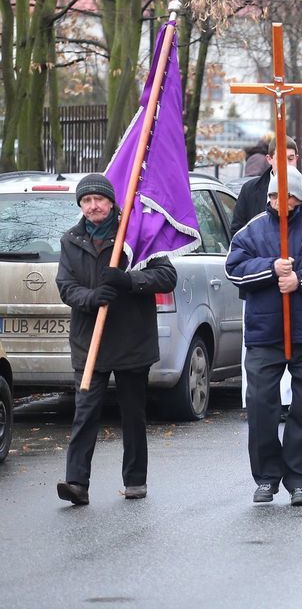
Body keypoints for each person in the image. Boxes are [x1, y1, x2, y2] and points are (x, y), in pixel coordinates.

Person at [226, 167, 302, 507]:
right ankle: (266, 477)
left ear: (297, 196)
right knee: (261, 406)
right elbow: (233, 269)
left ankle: (300, 481)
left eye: (285, 195)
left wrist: (301, 280)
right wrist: (270, 268)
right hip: (265, 333)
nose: (278, 201)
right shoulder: (252, 231)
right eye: (272, 196)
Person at [54, 174, 178, 506]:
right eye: (86, 200)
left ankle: (135, 480)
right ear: (81, 205)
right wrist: (91, 298)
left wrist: (128, 279)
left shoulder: (137, 235)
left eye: (99, 199)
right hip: (88, 343)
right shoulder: (70, 240)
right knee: (85, 413)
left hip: (131, 339)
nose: (93, 206)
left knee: (132, 415)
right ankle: (76, 482)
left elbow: (167, 276)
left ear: (111, 202)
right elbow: (65, 285)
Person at [229, 135, 302, 237]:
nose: (286, 164)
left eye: (290, 159)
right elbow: (238, 231)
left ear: (297, 158)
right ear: (269, 159)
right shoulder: (249, 190)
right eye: (280, 159)